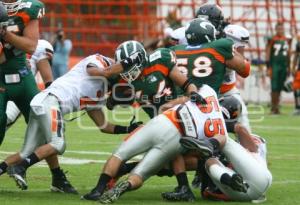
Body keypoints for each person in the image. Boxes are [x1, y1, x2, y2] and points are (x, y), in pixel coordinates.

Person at [0, 53, 141, 190]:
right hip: (51, 100)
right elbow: (100, 72)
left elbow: (104, 126)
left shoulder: (99, 93)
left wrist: (129, 129)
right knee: (58, 144)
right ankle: (20, 168)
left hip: (43, 103)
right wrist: (128, 62)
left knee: (25, 153)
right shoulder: (99, 61)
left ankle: (11, 167)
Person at [81, 84, 222, 203]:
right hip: (177, 140)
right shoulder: (216, 124)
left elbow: (165, 106)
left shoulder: (191, 100)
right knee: (142, 173)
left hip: (163, 122)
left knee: (120, 154)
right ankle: (128, 184)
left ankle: (98, 190)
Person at [0, 1, 77, 194]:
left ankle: (57, 177)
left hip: (22, 78)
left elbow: (31, 46)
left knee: (44, 125)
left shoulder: (28, 8)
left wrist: (5, 34)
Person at [6, 39, 54, 129]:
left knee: (6, 117)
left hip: (18, 91)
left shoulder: (40, 46)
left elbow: (48, 82)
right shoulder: (6, 38)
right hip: (3, 87)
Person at [220, 24, 251, 131]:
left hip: (225, 90)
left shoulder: (214, 45)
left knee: (242, 118)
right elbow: (245, 70)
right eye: (242, 45)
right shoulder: (221, 50)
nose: (243, 48)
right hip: (213, 91)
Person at [266, 22, 291, 114]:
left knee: (280, 87)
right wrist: (268, 67)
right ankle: (273, 108)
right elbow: (268, 52)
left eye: (282, 29)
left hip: (283, 66)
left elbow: (288, 54)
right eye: (279, 29)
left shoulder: (286, 39)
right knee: (274, 87)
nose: (281, 30)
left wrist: (289, 67)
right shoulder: (272, 39)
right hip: (275, 66)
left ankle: (277, 108)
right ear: (276, 29)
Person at [291, 36, 300, 115]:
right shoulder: (299, 43)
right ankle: (297, 107)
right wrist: (293, 67)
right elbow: (296, 56)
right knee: (296, 87)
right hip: (299, 69)